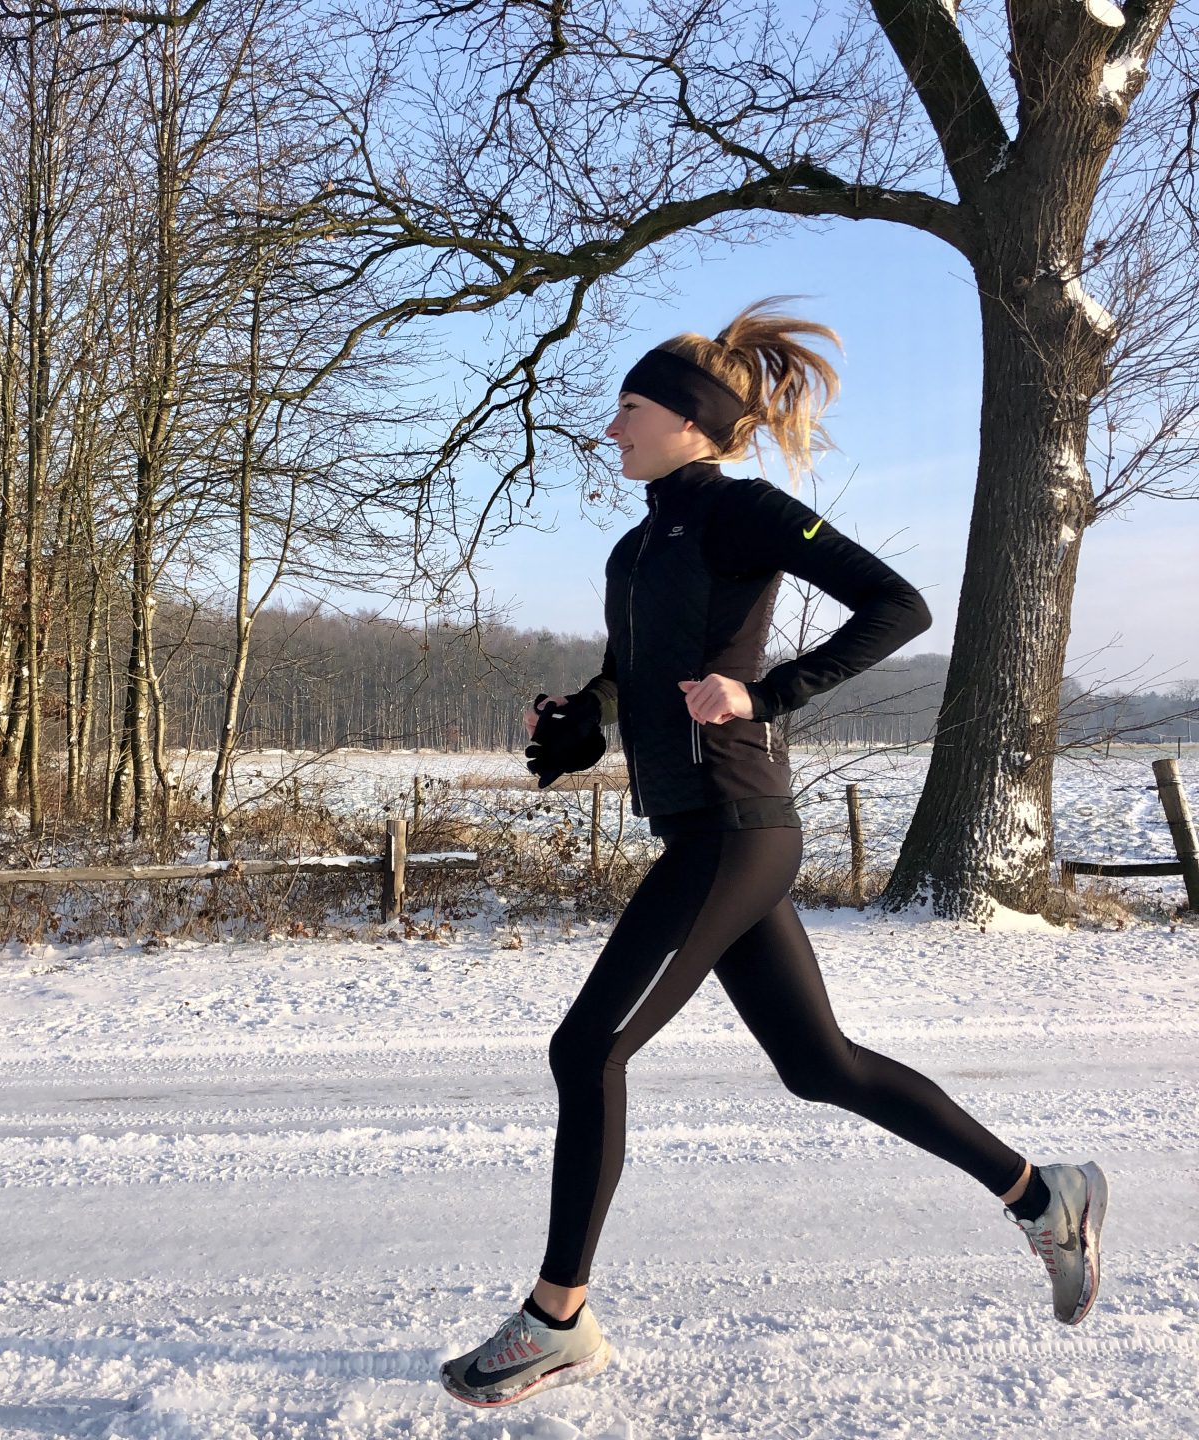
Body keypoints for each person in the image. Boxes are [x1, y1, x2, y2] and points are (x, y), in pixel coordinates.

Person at [439, 297, 1109, 1410]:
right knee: (821, 1066)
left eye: (631, 410)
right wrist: (578, 725)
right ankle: (1048, 1198)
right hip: (706, 831)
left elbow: (897, 606)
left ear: (692, 423)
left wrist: (769, 693)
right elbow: (627, 676)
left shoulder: (741, 513)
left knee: (586, 1051)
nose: (613, 430)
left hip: (738, 827)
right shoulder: (636, 543)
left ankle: (560, 1316)